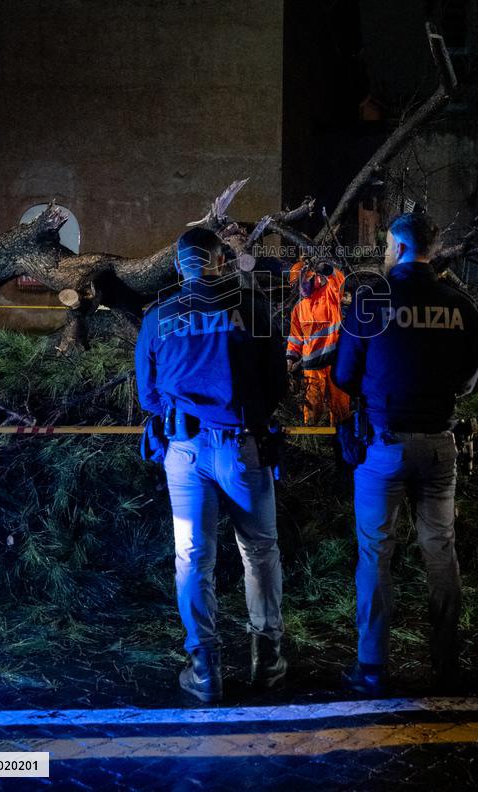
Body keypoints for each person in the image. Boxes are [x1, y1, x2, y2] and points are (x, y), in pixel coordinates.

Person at [135, 227, 288, 702]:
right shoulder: (248, 309)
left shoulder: (158, 317)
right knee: (259, 552)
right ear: (220, 263)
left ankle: (204, 669)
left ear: (179, 266)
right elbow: (277, 383)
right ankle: (267, 661)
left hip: (184, 452)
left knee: (193, 559)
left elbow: (148, 394)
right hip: (242, 447)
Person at [332, 212, 478, 694]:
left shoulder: (371, 301)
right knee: (441, 550)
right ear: (433, 249)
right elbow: (467, 379)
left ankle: (373, 667)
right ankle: (446, 663)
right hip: (440, 445)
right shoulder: (460, 305)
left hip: (384, 446)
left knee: (376, 553)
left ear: (396, 247)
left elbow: (343, 375)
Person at [286, 259, 351, 425]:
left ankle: (342, 439)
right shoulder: (299, 309)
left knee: (340, 405)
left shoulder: (329, 295)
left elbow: (339, 279)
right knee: (312, 407)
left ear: (314, 277)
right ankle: (310, 436)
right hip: (312, 368)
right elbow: (295, 338)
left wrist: (329, 270)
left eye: (303, 282)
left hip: (334, 363)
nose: (301, 287)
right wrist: (290, 359)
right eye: (297, 284)